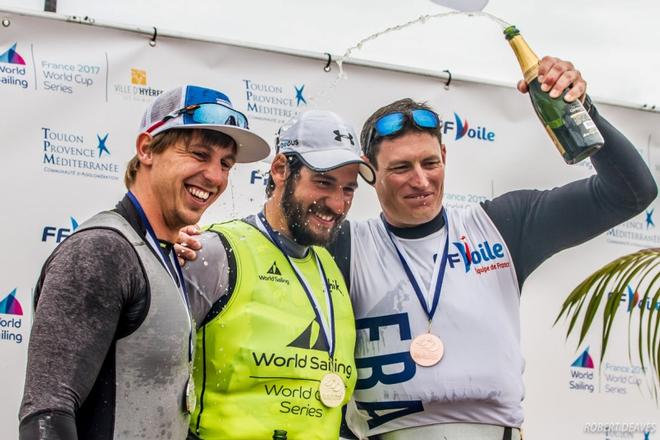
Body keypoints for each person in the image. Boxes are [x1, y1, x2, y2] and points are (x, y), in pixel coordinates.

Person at [328, 57, 658, 439]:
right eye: (401, 168)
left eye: (430, 162)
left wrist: (581, 110)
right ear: (368, 171)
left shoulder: (503, 224)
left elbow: (631, 192)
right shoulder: (345, 246)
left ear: (445, 158)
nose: (421, 180)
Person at [18, 85, 270, 440]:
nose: (215, 176)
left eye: (225, 164)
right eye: (199, 154)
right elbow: (47, 414)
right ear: (147, 149)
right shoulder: (102, 251)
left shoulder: (162, 253)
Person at [180, 110, 375, 440]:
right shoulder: (213, 251)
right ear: (281, 169)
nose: (337, 205)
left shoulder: (333, 269)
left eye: (348, 190)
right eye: (324, 183)